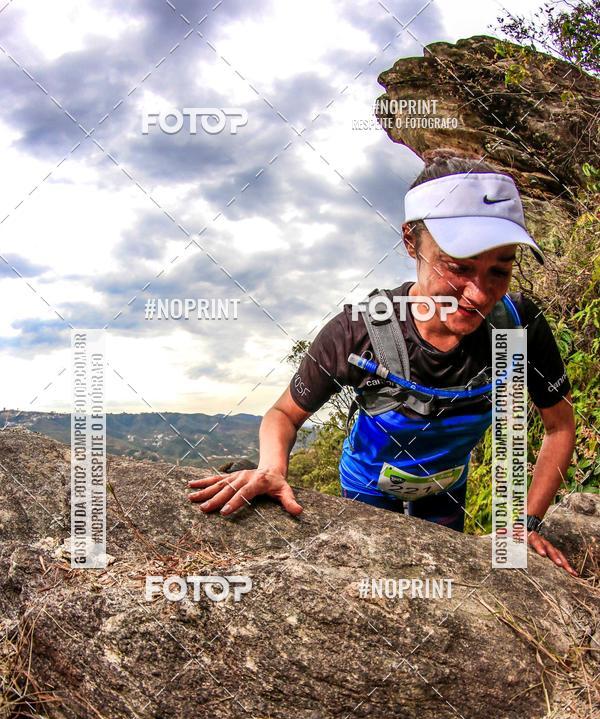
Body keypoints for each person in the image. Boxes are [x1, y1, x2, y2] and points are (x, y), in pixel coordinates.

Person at [189, 155, 577, 575]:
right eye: (457, 268)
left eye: (499, 271)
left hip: (446, 487)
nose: (478, 295)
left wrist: (524, 523)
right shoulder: (358, 332)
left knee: (440, 580)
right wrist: (271, 467)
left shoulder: (518, 327)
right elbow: (284, 413)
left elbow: (559, 426)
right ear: (411, 242)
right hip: (366, 487)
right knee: (372, 581)